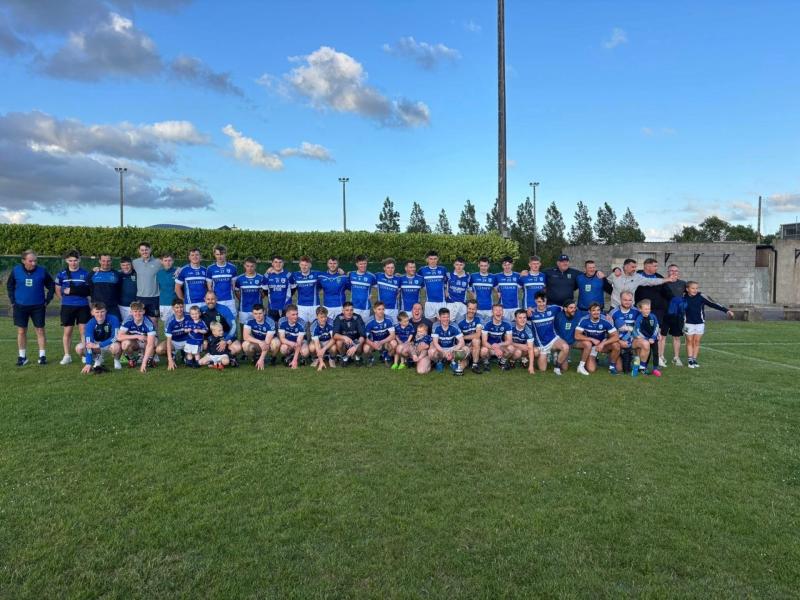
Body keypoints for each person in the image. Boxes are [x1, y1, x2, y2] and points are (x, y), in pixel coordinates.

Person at [7, 249, 55, 366]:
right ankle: (22, 357)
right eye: (30, 261)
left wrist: (47, 300)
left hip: (38, 306)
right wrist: (13, 301)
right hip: (20, 306)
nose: (33, 263)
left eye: (35, 261)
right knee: (21, 331)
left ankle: (42, 356)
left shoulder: (42, 271)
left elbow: (51, 286)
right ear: (23, 261)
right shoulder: (16, 271)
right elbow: (10, 285)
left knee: (40, 330)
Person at [680, 281, 734, 368]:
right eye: (693, 288)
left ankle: (694, 359)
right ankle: (690, 360)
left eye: (697, 288)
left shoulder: (701, 296)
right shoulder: (683, 297)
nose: (695, 290)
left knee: (697, 342)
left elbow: (714, 304)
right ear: (687, 289)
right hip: (688, 324)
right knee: (689, 341)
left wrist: (726, 310)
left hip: (700, 323)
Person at [55, 249, 92, 365]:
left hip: (83, 306)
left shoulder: (85, 274)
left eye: (75, 260)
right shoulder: (61, 274)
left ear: (79, 260)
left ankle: (85, 355)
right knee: (68, 331)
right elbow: (58, 290)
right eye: (70, 260)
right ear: (66, 261)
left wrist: (73, 291)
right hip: (67, 307)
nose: (73, 263)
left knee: (84, 331)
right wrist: (65, 300)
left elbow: (87, 291)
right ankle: (67, 355)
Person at [634, 258, 672, 368]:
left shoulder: (659, 277)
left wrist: (675, 301)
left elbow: (667, 293)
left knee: (657, 334)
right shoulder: (637, 276)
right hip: (640, 310)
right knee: (639, 335)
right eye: (655, 266)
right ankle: (638, 360)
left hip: (656, 311)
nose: (656, 268)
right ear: (647, 266)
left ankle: (659, 357)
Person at [529, 292, 570, 375]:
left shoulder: (553, 308)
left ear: (546, 301)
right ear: (535, 301)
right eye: (539, 302)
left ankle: (557, 367)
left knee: (565, 347)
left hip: (553, 339)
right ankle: (543, 355)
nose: (542, 304)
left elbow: (566, 308)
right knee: (542, 369)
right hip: (541, 344)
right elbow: (520, 316)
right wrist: (528, 309)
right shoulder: (531, 313)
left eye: (543, 301)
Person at [607, 258, 674, 309]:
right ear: (626, 266)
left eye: (635, 267)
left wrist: (667, 279)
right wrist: (617, 269)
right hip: (615, 306)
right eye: (632, 267)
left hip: (629, 308)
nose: (635, 269)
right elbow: (606, 283)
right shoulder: (615, 275)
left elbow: (651, 281)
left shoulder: (637, 277)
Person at [574, 302, 620, 375]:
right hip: (591, 346)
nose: (596, 312)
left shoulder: (605, 320)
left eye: (598, 310)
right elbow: (577, 335)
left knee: (616, 346)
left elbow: (616, 336)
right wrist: (592, 339)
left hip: (602, 345)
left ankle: (612, 367)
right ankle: (591, 358)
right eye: (593, 310)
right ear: (589, 311)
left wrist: (603, 343)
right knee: (591, 369)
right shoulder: (584, 320)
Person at [76, 302, 122, 373]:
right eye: (97, 312)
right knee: (79, 348)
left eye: (102, 312)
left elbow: (115, 337)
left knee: (116, 347)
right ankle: (97, 359)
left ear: (106, 311)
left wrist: (99, 345)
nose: (100, 314)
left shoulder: (113, 319)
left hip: (109, 343)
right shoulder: (90, 324)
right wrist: (88, 363)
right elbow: (89, 343)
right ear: (92, 313)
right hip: (96, 344)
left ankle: (116, 360)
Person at [117, 301, 157, 373]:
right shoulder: (128, 320)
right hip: (135, 342)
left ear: (144, 312)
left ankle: (149, 359)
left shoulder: (148, 323)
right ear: (131, 312)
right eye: (135, 311)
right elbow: (119, 337)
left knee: (154, 342)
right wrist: (137, 336)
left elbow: (150, 344)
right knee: (125, 344)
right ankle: (132, 359)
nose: (137, 314)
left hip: (146, 342)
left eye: (140, 311)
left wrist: (143, 364)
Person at [200, 291, 242, 359]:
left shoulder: (224, 309)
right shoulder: (201, 310)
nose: (210, 301)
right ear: (204, 299)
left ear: (217, 299)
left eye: (213, 299)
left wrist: (226, 340)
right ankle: (219, 357)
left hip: (224, 337)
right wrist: (204, 339)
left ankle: (219, 357)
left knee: (237, 347)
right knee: (201, 345)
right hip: (210, 340)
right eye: (208, 299)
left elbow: (233, 325)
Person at [608, 291, 641, 373]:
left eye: (630, 300)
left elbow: (640, 327)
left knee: (643, 343)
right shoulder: (613, 313)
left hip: (632, 340)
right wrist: (619, 341)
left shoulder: (637, 312)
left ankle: (639, 366)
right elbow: (608, 332)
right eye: (625, 300)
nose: (627, 302)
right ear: (620, 300)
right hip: (618, 341)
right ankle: (614, 357)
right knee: (619, 369)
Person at [662, 264, 688, 366]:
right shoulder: (663, 282)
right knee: (662, 336)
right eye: (671, 271)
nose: (674, 272)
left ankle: (676, 358)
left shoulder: (683, 284)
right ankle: (661, 357)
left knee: (677, 337)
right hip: (665, 313)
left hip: (678, 314)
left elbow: (690, 294)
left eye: (676, 271)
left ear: (678, 272)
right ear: (668, 272)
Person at [234, 257, 268, 335]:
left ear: (255, 266)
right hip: (244, 309)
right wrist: (243, 300)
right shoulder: (239, 279)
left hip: (257, 309)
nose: (249, 268)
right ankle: (243, 344)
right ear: (244, 266)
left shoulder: (260, 278)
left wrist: (258, 299)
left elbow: (263, 293)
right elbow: (237, 292)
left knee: (258, 331)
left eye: (252, 266)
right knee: (243, 331)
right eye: (247, 266)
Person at [430, 307, 467, 375]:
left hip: (452, 348)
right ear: (439, 317)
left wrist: (452, 351)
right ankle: (439, 361)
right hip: (441, 348)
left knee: (465, 348)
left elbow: (462, 341)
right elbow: (435, 343)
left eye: (447, 317)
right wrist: (444, 352)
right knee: (431, 351)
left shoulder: (454, 325)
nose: (446, 319)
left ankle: (453, 361)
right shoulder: (435, 326)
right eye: (443, 317)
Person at [132, 242, 162, 325]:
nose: (144, 252)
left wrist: (179, 269)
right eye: (142, 250)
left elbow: (169, 266)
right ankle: (142, 338)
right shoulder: (135, 262)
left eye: (146, 250)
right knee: (140, 320)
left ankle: (155, 337)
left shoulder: (158, 262)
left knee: (154, 321)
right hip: (140, 297)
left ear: (150, 250)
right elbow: (125, 269)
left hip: (154, 297)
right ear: (139, 251)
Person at [241, 304, 278, 370]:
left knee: (276, 342)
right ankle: (254, 358)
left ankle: (273, 358)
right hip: (258, 342)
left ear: (264, 312)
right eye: (255, 313)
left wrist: (262, 359)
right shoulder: (249, 320)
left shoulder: (270, 322)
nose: (258, 316)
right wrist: (259, 342)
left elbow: (267, 343)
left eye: (260, 313)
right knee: (245, 345)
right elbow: (245, 337)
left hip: (268, 343)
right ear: (252, 313)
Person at [157, 299, 190, 370]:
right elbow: (168, 341)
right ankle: (173, 355)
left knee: (191, 358)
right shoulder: (169, 321)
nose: (179, 309)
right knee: (159, 349)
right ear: (173, 308)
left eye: (181, 307)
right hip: (174, 342)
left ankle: (185, 353)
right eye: (177, 307)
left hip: (187, 341)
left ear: (183, 307)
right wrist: (170, 359)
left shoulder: (189, 316)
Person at [206, 244, 238, 319]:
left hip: (230, 301)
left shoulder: (232, 268)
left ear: (225, 254)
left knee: (232, 321)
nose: (220, 256)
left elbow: (233, 286)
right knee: (218, 322)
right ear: (214, 254)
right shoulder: (210, 268)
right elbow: (209, 287)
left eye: (222, 254)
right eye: (217, 254)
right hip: (217, 301)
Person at [632, 299, 662, 377]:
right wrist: (646, 339)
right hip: (645, 339)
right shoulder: (639, 318)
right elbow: (638, 330)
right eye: (645, 309)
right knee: (647, 352)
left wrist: (654, 337)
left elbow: (656, 327)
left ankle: (655, 368)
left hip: (653, 338)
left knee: (656, 353)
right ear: (640, 309)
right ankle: (644, 367)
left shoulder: (653, 316)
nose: (647, 311)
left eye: (649, 309)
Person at [89, 253, 122, 321]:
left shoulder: (117, 274)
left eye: (108, 261)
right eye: (103, 261)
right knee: (98, 329)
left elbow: (120, 290)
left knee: (115, 327)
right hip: (97, 308)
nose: (106, 263)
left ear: (111, 261)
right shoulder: (93, 273)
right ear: (99, 261)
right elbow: (89, 290)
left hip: (112, 307)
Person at [554, 300, 585, 372]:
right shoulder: (559, 317)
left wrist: (606, 315)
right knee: (564, 368)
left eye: (574, 308)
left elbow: (591, 313)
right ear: (565, 309)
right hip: (564, 343)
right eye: (571, 308)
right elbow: (555, 330)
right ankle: (557, 353)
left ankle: (582, 365)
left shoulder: (579, 314)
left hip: (574, 341)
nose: (573, 310)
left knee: (587, 344)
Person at [480, 303, 513, 371]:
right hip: (488, 346)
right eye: (496, 310)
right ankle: (486, 363)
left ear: (503, 312)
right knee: (483, 351)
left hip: (499, 345)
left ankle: (502, 363)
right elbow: (484, 342)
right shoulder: (486, 323)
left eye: (500, 310)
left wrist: (499, 345)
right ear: (492, 312)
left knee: (511, 348)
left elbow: (509, 341)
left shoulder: (507, 323)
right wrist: (495, 349)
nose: (498, 312)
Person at [333, 302, 366, 366]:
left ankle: (358, 358)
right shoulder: (338, 318)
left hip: (355, 340)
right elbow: (335, 335)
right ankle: (345, 358)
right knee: (338, 342)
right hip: (345, 341)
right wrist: (344, 337)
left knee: (360, 341)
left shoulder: (357, 317)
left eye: (351, 310)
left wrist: (355, 346)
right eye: (347, 310)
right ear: (343, 311)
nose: (349, 312)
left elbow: (363, 335)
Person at [419, 250, 448, 321]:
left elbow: (448, 281)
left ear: (437, 259)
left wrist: (446, 289)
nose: (433, 261)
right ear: (427, 259)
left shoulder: (443, 269)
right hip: (429, 302)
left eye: (435, 259)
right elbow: (414, 277)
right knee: (429, 325)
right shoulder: (422, 270)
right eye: (431, 259)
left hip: (441, 302)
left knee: (441, 323)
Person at [318, 256, 349, 322]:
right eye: (330, 263)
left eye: (334, 263)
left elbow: (352, 287)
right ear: (327, 264)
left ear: (338, 264)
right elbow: (316, 288)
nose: (332, 265)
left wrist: (345, 273)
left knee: (340, 327)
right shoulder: (321, 276)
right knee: (328, 327)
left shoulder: (343, 276)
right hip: (327, 306)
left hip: (340, 307)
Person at [291, 255, 321, 325]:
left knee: (315, 326)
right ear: (299, 265)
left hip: (314, 306)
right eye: (302, 265)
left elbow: (329, 274)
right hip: (301, 306)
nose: (304, 267)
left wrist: (339, 271)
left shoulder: (317, 274)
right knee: (301, 327)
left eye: (306, 265)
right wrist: (271, 270)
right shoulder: (295, 275)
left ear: (310, 265)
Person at [364, 301, 396, 365]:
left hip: (385, 342)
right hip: (374, 342)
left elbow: (393, 335)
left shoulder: (389, 319)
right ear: (374, 310)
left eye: (383, 309)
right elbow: (366, 338)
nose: (381, 311)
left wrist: (381, 342)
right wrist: (373, 344)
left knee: (394, 343)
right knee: (366, 349)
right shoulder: (369, 321)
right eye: (379, 309)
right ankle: (371, 358)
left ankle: (387, 357)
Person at [457, 300, 483, 374]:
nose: (471, 311)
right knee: (461, 366)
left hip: (475, 346)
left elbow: (478, 335)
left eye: (473, 309)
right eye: (470, 308)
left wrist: (464, 337)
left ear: (476, 309)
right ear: (466, 308)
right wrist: (465, 345)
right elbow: (458, 338)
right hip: (464, 346)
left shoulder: (479, 318)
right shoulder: (459, 320)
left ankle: (475, 365)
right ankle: (467, 361)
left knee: (476, 340)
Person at [265, 254, 293, 323]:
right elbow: (264, 289)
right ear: (272, 263)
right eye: (276, 262)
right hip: (272, 307)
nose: (278, 264)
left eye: (280, 262)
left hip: (286, 307)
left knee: (285, 328)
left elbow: (293, 289)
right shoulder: (267, 275)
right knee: (272, 329)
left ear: (283, 263)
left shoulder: (288, 275)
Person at [349, 254, 377, 323]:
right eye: (361, 264)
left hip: (366, 308)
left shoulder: (371, 276)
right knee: (353, 328)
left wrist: (372, 294)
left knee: (364, 328)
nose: (363, 266)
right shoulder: (351, 274)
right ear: (356, 264)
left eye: (365, 263)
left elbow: (379, 287)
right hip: (353, 307)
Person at [495, 255, 522, 323]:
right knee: (505, 326)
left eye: (509, 264)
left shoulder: (518, 276)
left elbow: (521, 287)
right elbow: (493, 286)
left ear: (512, 265)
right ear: (502, 265)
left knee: (516, 326)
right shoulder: (498, 276)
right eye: (505, 265)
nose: (507, 266)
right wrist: (497, 291)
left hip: (515, 307)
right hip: (503, 308)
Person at [508, 308, 536, 375]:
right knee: (517, 352)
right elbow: (507, 342)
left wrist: (531, 367)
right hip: (512, 347)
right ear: (515, 319)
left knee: (535, 351)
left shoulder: (528, 329)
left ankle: (524, 359)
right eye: (520, 318)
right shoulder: (510, 326)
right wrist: (519, 346)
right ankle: (512, 360)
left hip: (524, 348)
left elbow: (530, 348)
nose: (522, 320)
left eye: (524, 317)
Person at [309, 306, 336, 370]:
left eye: (325, 317)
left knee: (334, 347)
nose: (324, 319)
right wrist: (321, 362)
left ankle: (331, 359)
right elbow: (317, 343)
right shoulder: (313, 326)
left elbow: (334, 339)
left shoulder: (331, 322)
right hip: (319, 342)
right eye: (321, 317)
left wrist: (323, 349)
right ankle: (316, 359)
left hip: (328, 341)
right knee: (312, 347)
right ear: (317, 316)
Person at [470, 256, 496, 323]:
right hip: (477, 308)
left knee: (488, 328)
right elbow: (467, 286)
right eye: (481, 265)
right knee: (478, 327)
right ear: (478, 265)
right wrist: (472, 293)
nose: (483, 268)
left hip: (489, 308)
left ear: (488, 266)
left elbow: (497, 288)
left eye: (485, 266)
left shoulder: (493, 277)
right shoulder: (473, 276)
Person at [376, 258, 402, 323]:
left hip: (394, 310)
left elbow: (400, 290)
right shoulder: (378, 276)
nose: (390, 270)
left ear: (394, 268)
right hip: (381, 309)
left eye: (392, 268)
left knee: (394, 328)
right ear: (384, 268)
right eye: (388, 267)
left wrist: (398, 293)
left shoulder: (398, 279)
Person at [156, 253, 177, 328]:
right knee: (166, 326)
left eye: (169, 260)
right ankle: (167, 339)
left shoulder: (177, 272)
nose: (168, 263)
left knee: (177, 324)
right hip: (163, 303)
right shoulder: (158, 273)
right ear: (162, 261)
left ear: (173, 261)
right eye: (165, 260)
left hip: (176, 303)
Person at [446, 257, 470, 325]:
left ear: (464, 265)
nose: (459, 267)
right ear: (454, 265)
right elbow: (443, 286)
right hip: (451, 303)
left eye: (461, 265)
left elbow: (471, 290)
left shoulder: (468, 277)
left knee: (461, 324)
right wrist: (445, 291)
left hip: (462, 304)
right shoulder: (448, 275)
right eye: (457, 264)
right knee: (449, 323)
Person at [118, 257, 138, 322]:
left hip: (135, 305)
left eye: (128, 265)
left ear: (131, 265)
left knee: (134, 325)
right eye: (123, 265)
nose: (125, 267)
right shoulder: (118, 274)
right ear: (120, 266)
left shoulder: (137, 273)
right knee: (123, 325)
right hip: (121, 305)